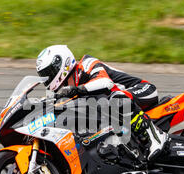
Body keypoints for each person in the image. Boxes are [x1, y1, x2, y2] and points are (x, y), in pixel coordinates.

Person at [36, 45, 168, 161]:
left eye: (48, 73)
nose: (48, 78)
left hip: (143, 89)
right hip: (119, 111)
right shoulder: (68, 90)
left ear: (60, 65)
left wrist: (77, 89)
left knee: (116, 98)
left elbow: (105, 83)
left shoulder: (87, 64)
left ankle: (156, 137)